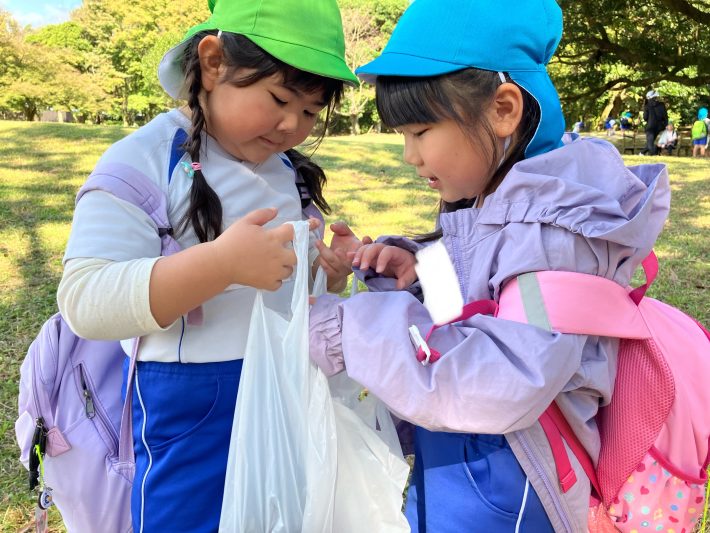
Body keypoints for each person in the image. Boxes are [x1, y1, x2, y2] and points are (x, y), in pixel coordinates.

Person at [308, 0, 670, 530]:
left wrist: (348, 330)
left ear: (503, 110)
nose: (410, 155)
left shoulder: (552, 236)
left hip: (513, 487)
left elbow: (509, 374)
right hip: (468, 463)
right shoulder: (496, 202)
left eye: (420, 131)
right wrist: (419, 277)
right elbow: (481, 309)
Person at [56, 0, 358, 530]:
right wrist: (219, 265)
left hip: (283, 386)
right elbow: (85, 299)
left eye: (311, 112)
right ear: (214, 63)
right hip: (191, 405)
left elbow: (284, 280)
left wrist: (328, 273)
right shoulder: (144, 159)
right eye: (280, 99)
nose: (292, 124)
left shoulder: (286, 169)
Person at [641, 89, 668, 155]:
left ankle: (653, 154)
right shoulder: (661, 105)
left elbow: (645, 118)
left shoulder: (647, 106)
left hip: (650, 127)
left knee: (650, 143)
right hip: (659, 127)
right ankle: (642, 153)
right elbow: (665, 116)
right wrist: (665, 125)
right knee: (650, 141)